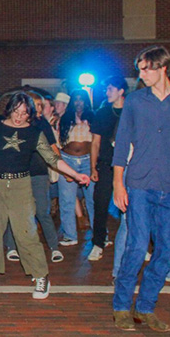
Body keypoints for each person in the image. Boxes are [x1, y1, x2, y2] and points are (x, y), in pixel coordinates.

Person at [0, 92, 90, 300]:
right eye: (16, 111)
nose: (19, 117)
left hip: (20, 185)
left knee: (26, 232)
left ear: (30, 114)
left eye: (24, 113)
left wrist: (75, 173)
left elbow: (52, 158)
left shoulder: (34, 133)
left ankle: (41, 276)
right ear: (9, 110)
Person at [112, 46, 170, 332]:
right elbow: (122, 141)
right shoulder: (136, 101)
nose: (140, 74)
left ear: (163, 67)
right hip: (139, 183)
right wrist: (118, 183)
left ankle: (145, 308)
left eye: (145, 69)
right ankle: (121, 306)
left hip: (169, 185)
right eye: (139, 69)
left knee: (165, 251)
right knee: (137, 247)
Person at [2, 91, 64, 264]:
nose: (37, 109)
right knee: (14, 211)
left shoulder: (41, 124)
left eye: (39, 105)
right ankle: (12, 246)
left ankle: (54, 247)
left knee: (42, 211)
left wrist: (62, 168)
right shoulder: (13, 123)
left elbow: (52, 148)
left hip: (38, 172)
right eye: (34, 105)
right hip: (16, 173)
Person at [87, 76, 127, 262]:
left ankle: (137, 244)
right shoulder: (103, 113)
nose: (107, 92)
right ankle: (98, 242)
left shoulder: (132, 111)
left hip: (128, 167)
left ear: (121, 91)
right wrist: (93, 166)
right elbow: (95, 142)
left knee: (133, 207)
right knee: (101, 204)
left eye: (110, 89)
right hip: (105, 165)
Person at [56, 89, 96, 246]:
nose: (79, 102)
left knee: (93, 199)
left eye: (81, 99)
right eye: (76, 100)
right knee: (67, 199)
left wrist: (94, 166)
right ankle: (70, 235)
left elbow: (97, 142)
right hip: (68, 160)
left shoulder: (93, 118)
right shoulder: (64, 119)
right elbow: (57, 143)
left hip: (87, 160)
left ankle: (100, 235)